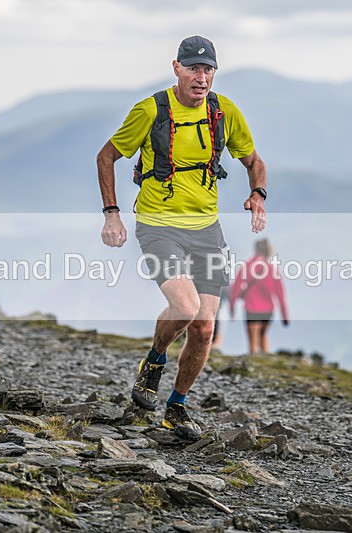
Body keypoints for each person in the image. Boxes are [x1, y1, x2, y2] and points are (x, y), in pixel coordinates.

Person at [97, 35, 267, 440]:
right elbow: (106, 156)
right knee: (186, 306)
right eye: (193, 68)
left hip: (207, 230)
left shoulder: (223, 112)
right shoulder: (150, 110)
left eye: (208, 69)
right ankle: (153, 362)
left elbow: (253, 160)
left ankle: (176, 407)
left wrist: (257, 193)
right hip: (158, 225)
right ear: (176, 68)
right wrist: (112, 215)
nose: (201, 76)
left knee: (205, 329)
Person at [229, 238, 289, 354]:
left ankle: (254, 362)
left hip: (251, 308)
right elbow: (281, 295)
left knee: (253, 341)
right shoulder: (272, 269)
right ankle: (266, 360)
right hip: (268, 310)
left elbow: (236, 288)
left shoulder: (247, 266)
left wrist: (232, 307)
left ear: (256, 249)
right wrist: (285, 316)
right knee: (263, 335)